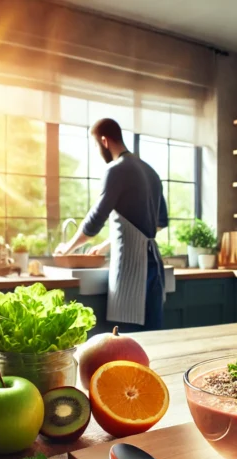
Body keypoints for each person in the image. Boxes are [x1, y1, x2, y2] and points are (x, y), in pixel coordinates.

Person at [54, 118, 167, 330]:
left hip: (132, 271)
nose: (98, 151)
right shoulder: (150, 171)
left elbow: (94, 220)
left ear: (104, 141)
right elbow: (158, 224)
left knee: (128, 341)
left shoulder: (117, 169)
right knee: (153, 338)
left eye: (97, 146)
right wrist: (105, 246)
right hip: (154, 268)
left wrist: (67, 249)